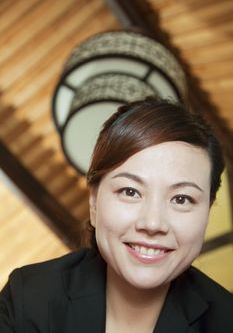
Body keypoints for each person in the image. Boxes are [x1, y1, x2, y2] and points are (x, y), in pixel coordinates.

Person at [0, 96, 233, 333]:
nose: (152, 223)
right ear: (94, 202)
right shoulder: (29, 299)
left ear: (207, 211)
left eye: (181, 199)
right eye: (130, 192)